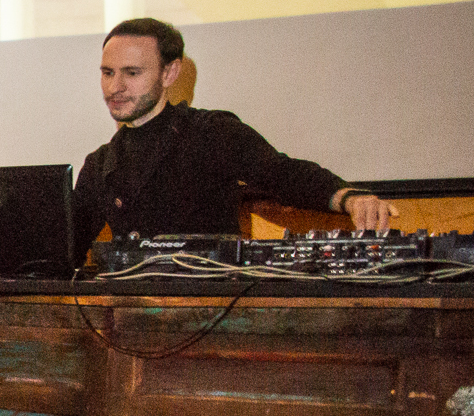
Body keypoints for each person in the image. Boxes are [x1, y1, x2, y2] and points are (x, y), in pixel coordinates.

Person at [72, 17, 396, 260]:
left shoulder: (211, 132)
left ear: (170, 73)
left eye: (132, 73)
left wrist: (350, 198)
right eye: (107, 73)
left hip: (210, 309)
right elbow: (67, 244)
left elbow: (283, 174)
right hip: (129, 311)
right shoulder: (100, 163)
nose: (115, 87)